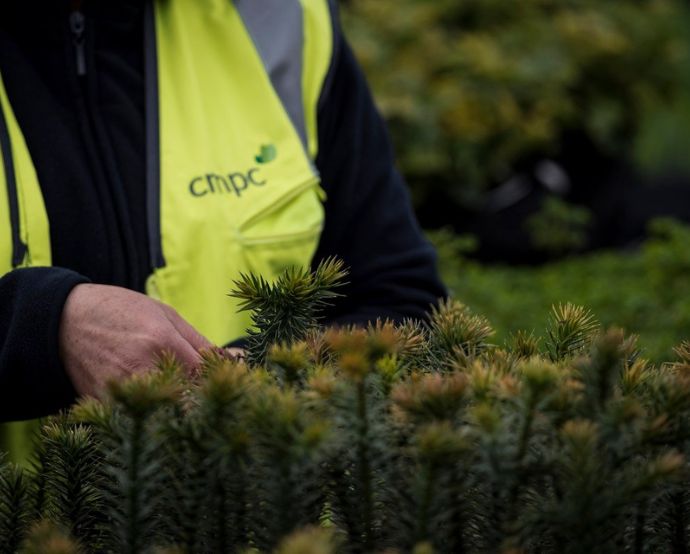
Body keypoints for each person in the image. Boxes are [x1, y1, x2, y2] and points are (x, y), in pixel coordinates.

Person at [0, 0, 445, 422]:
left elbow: (404, 304)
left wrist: (256, 377)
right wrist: (41, 327)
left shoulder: (279, 17)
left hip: (242, 497)